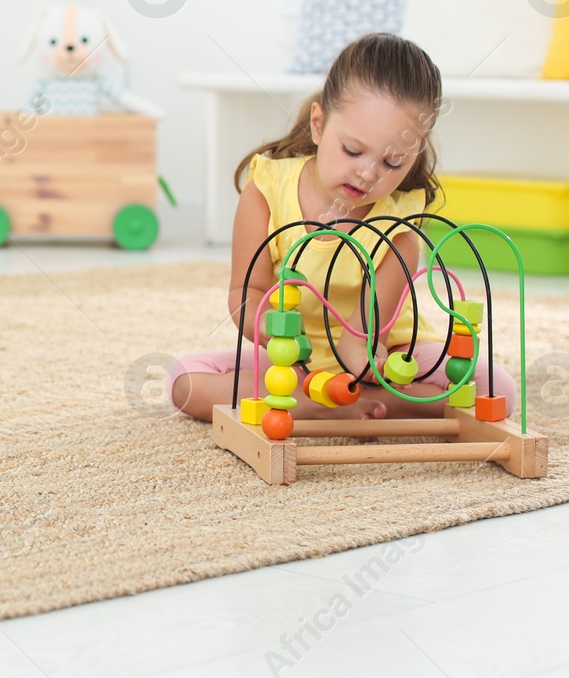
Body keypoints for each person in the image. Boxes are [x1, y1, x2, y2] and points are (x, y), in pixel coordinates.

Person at [168, 32, 513, 422]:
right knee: (186, 380)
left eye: (393, 162)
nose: (368, 173)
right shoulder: (266, 191)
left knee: (494, 388)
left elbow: (363, 337)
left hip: (381, 349)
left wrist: (372, 366)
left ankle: (355, 401)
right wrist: (269, 331)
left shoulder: (399, 227)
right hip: (293, 358)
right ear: (318, 125)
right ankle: (326, 403)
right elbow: (246, 291)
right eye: (352, 150)